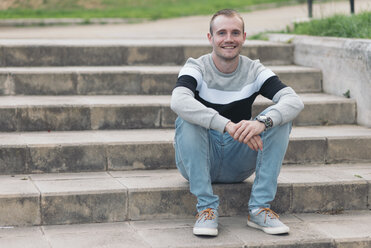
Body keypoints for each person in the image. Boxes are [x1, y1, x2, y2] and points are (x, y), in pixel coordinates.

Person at [170, 9, 304, 237]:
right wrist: (228, 125)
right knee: (187, 117)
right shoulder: (196, 66)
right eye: (221, 33)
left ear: (244, 37)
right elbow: (178, 100)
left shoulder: (255, 70)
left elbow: (294, 100)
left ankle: (259, 209)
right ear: (210, 38)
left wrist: (261, 122)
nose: (229, 39)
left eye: (235, 33)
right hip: (200, 159)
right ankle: (206, 209)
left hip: (238, 160)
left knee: (278, 119)